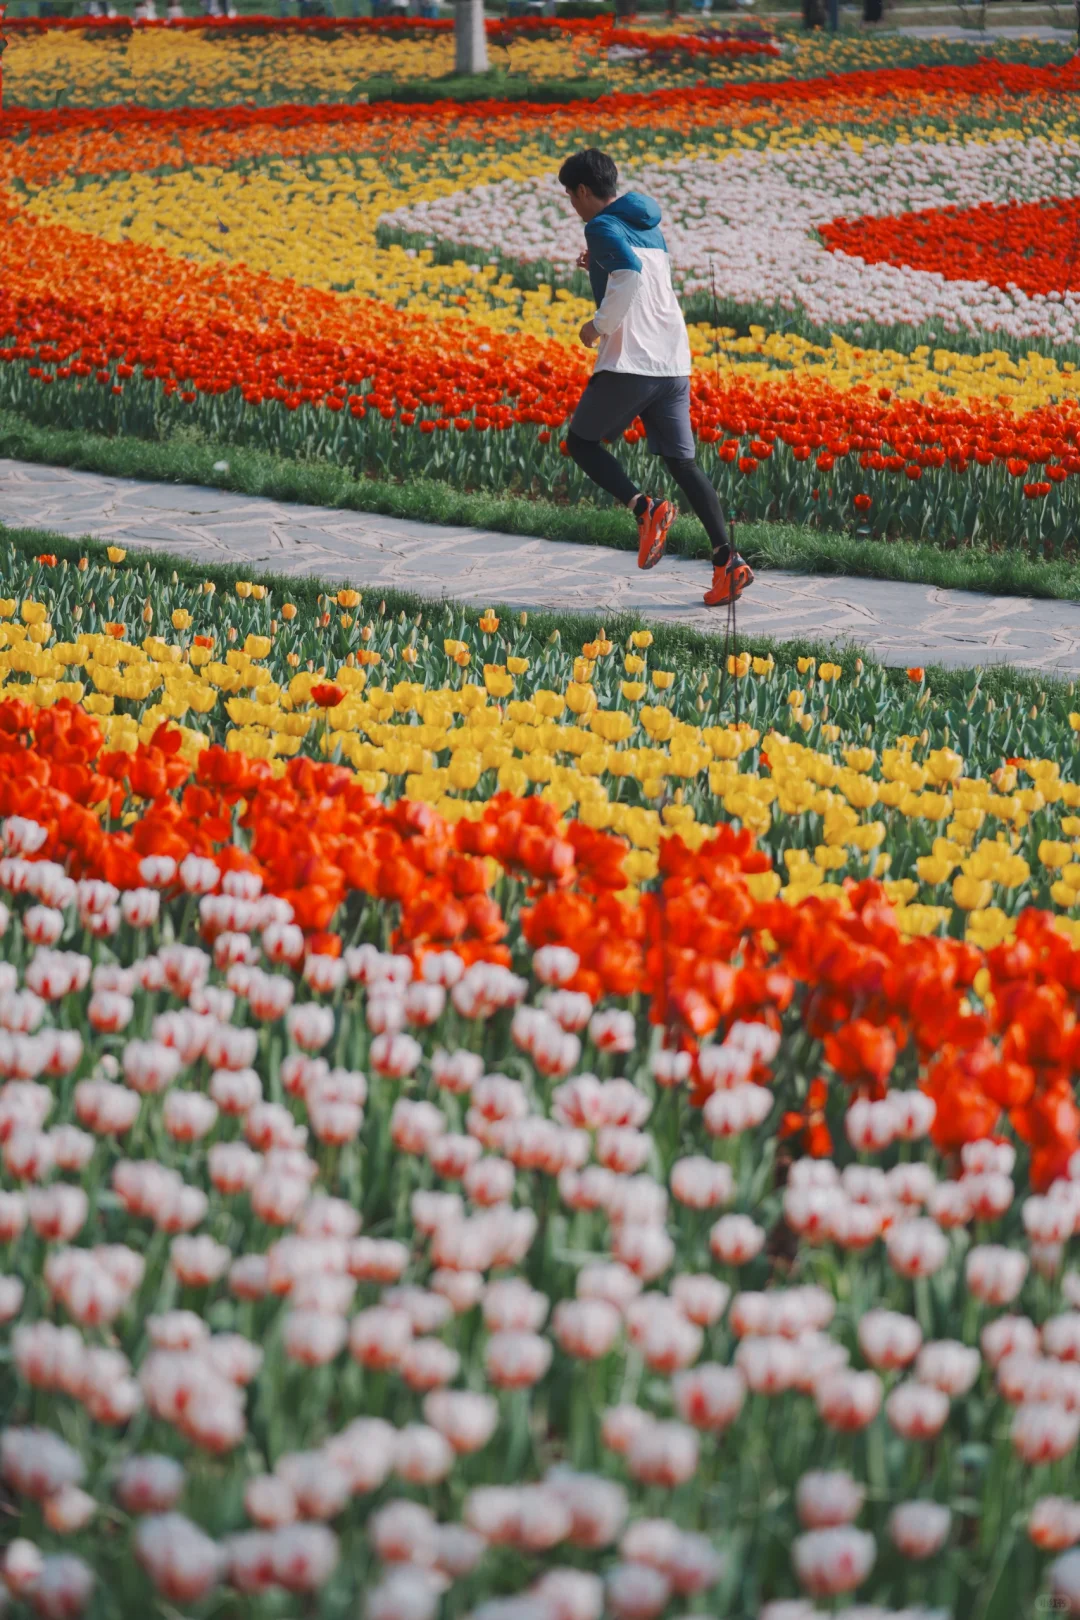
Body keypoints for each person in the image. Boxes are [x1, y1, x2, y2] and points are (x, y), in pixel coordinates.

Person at [558, 147, 753, 608]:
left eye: (571, 196)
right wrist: (598, 264)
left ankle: (645, 508)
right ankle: (728, 561)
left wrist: (596, 326)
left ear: (584, 191)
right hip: (673, 362)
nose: (573, 205)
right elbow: (642, 272)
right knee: (682, 464)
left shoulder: (600, 225)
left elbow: (628, 275)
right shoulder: (648, 226)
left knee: (581, 443)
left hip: (633, 360)